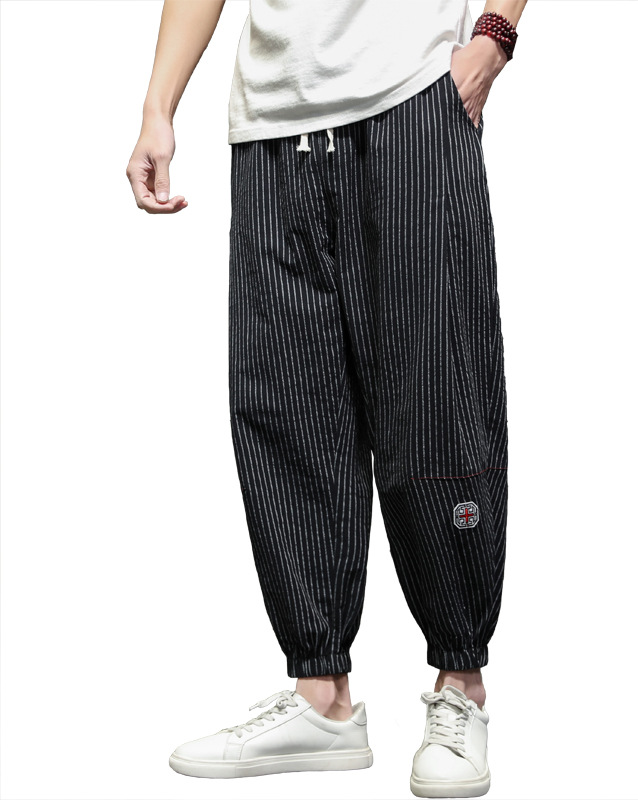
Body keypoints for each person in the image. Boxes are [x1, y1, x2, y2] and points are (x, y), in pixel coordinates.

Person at [126, 0, 525, 796]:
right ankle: (322, 697)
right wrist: (158, 107)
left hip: (410, 97)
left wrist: (495, 37)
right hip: (271, 123)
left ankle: (461, 683)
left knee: (435, 395)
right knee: (288, 408)